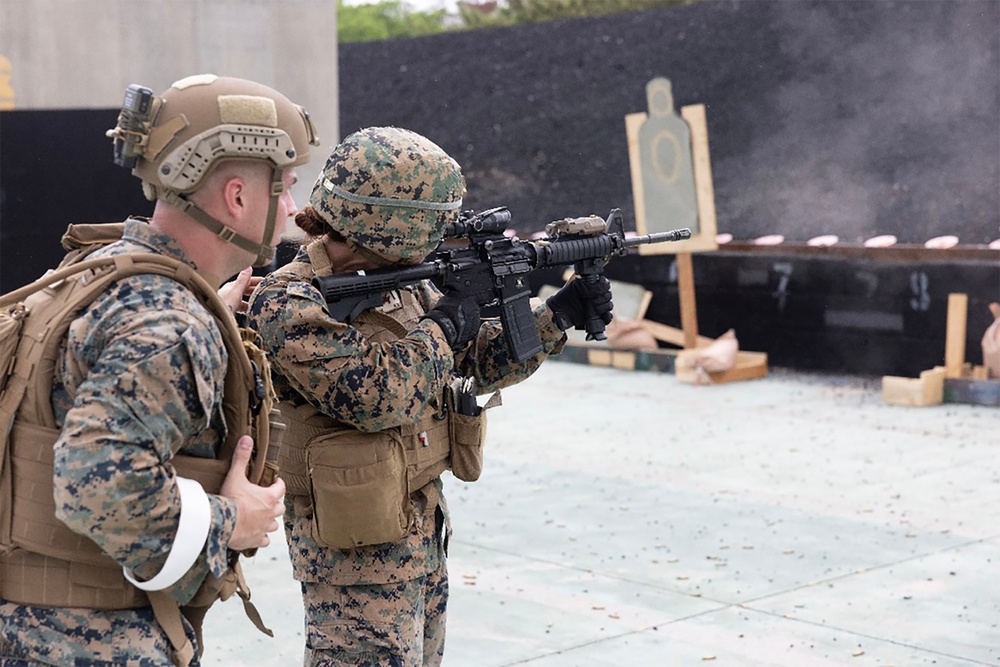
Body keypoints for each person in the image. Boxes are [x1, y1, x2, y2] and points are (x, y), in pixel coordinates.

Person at [246, 126, 614, 666]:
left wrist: (558, 316)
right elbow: (378, 397)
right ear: (390, 223)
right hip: (355, 556)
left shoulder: (400, 276)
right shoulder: (289, 302)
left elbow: (470, 364)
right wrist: (444, 325)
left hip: (419, 527)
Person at [0, 73, 319, 666]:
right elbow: (99, 487)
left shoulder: (104, 268)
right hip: (93, 643)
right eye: (288, 188)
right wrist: (235, 520)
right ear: (239, 198)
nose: (294, 212)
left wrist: (207, 312)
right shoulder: (170, 329)